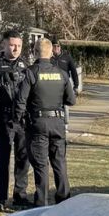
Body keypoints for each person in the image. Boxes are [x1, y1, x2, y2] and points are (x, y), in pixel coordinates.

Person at [17, 39, 77, 206]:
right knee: (59, 162)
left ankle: (41, 202)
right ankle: (64, 200)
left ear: (35, 52)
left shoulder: (30, 73)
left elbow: (21, 100)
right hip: (57, 122)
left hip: (37, 123)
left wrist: (18, 120)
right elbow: (71, 101)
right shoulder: (62, 74)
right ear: (51, 52)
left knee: (41, 164)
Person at [0, 30, 31, 211]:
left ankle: (20, 196)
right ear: (4, 44)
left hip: (23, 119)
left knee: (23, 158)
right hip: (2, 117)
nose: (16, 49)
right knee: (3, 158)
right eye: (12, 45)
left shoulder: (26, 66)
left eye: (18, 45)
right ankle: (0, 199)